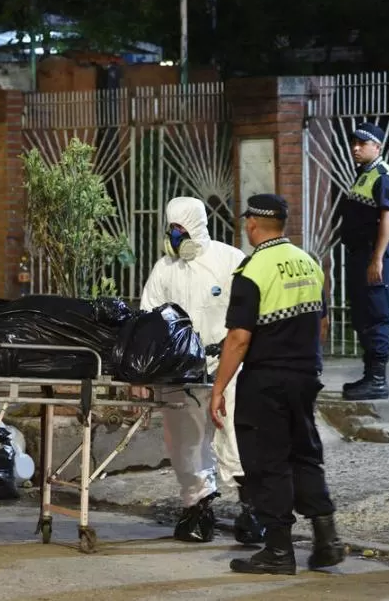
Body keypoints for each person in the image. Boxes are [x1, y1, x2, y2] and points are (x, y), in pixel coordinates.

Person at [210, 194, 345, 576]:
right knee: (305, 454)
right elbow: (322, 323)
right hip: (305, 377)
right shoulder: (310, 263)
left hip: (266, 380)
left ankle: (279, 550)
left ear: (252, 225)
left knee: (268, 463)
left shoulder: (252, 271)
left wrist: (219, 388)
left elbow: (239, 338)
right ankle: (326, 539)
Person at [138, 196, 263, 545]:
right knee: (185, 444)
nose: (175, 236)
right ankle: (197, 508)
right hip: (182, 371)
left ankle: (252, 510)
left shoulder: (229, 260)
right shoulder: (164, 269)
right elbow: (150, 314)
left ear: (195, 226)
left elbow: (249, 309)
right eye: (171, 229)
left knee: (237, 436)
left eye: (180, 229)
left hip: (229, 366)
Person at [339, 121, 389, 401]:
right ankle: (369, 376)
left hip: (375, 255)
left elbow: (388, 216)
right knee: (363, 315)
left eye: (362, 144)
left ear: (378, 147)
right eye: (354, 143)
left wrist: (376, 258)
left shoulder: (384, 176)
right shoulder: (364, 174)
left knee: (376, 316)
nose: (355, 148)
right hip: (361, 255)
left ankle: (378, 380)